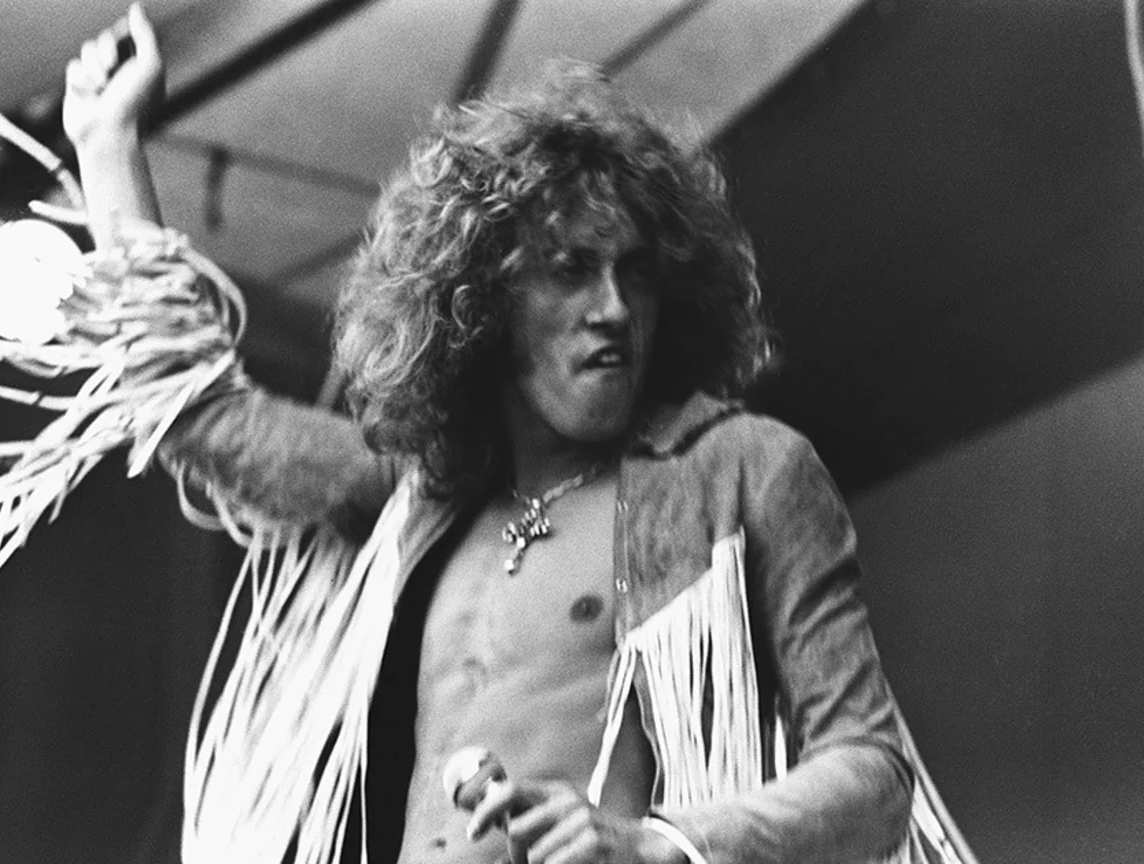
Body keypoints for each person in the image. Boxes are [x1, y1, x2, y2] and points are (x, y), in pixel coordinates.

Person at [63, 6, 971, 864]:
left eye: (636, 273)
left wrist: (653, 842)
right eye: (571, 270)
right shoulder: (420, 499)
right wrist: (108, 150)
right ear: (483, 301)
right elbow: (200, 410)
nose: (613, 308)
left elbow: (874, 776)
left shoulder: (744, 470)